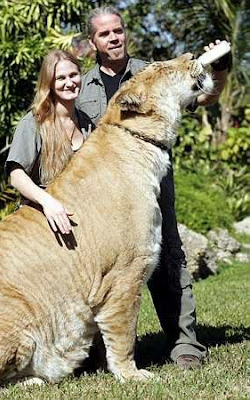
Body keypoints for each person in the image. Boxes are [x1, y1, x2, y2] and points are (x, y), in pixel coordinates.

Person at [76, 6, 230, 369]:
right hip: (105, 198)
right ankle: (103, 350)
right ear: (93, 42)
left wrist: (220, 73)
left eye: (118, 30)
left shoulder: (153, 72)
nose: (114, 38)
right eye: (105, 34)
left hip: (153, 185)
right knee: (105, 270)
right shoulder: (82, 89)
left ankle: (184, 343)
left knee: (169, 261)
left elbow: (203, 97)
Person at [6, 50, 94, 235]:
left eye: (73, 75)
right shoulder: (34, 122)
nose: (69, 83)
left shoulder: (87, 123)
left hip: (80, 220)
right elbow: (16, 175)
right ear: (49, 84)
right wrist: (48, 202)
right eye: (60, 78)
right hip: (39, 222)